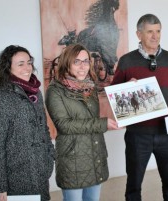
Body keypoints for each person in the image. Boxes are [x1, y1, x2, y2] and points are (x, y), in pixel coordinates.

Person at [111, 14, 168, 201]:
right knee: (133, 184)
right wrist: (126, 88)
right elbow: (113, 93)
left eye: (158, 31)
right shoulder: (126, 61)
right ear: (139, 34)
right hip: (137, 135)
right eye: (150, 32)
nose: (155, 36)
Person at [45, 44, 121, 201]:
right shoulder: (55, 90)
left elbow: (112, 93)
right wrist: (102, 124)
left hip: (94, 154)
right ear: (67, 63)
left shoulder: (90, 86)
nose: (83, 66)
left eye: (86, 61)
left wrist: (131, 87)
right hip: (72, 160)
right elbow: (64, 125)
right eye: (77, 61)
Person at [0, 45, 55, 201]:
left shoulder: (35, 92)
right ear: (8, 68)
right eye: (20, 64)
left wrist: (49, 154)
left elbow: (43, 127)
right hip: (16, 176)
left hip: (40, 171)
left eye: (29, 62)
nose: (27, 68)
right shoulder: (0, 98)